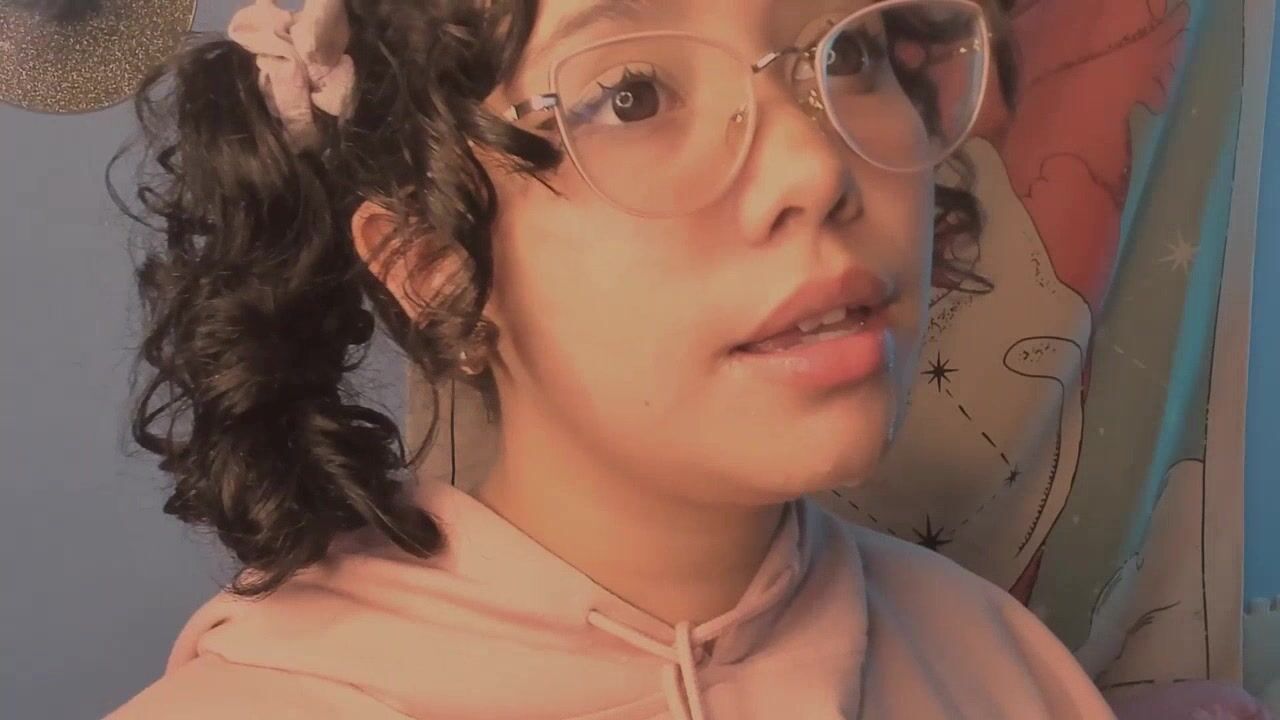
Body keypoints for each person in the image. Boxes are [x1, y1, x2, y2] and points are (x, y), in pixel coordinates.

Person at [105, 0, 1118, 717]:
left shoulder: (1002, 670)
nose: (816, 169)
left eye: (850, 53)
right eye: (632, 96)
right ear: (430, 267)